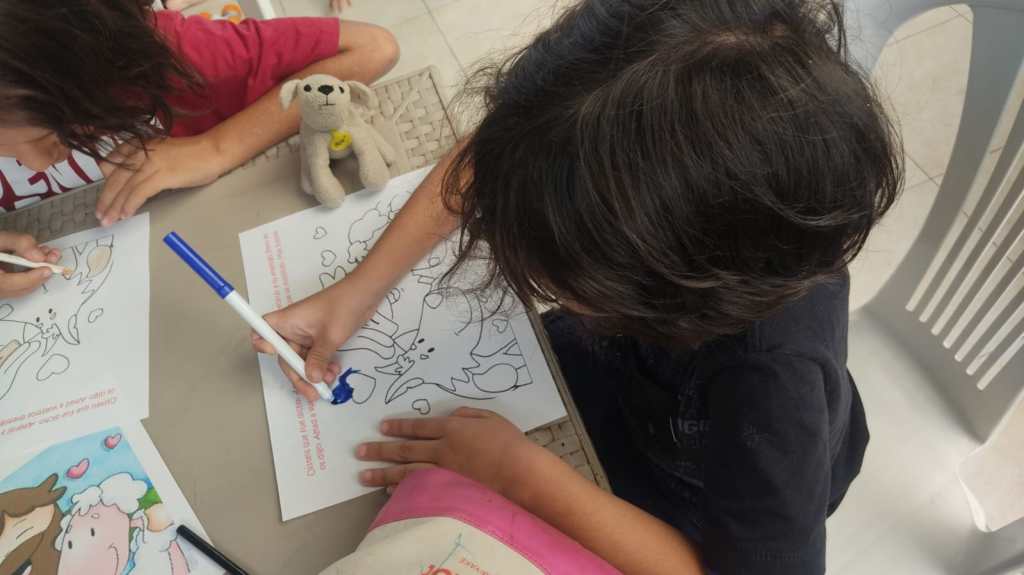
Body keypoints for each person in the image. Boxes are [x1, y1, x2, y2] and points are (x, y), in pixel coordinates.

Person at [252, 0, 902, 573]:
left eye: (563, 277)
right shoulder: (625, 144)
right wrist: (357, 291)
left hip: (691, 495)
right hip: (616, 379)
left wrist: (520, 474)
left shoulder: (773, 387)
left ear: (665, 285)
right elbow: (501, 153)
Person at [0, 0, 398, 299]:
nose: (34, 164)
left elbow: (372, 49)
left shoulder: (166, 55)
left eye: (54, 140)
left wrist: (216, 147)